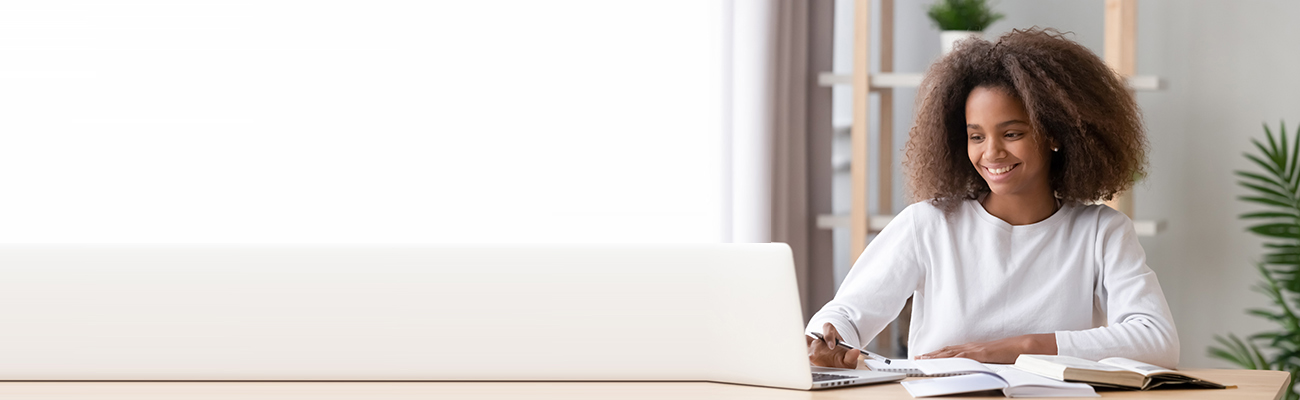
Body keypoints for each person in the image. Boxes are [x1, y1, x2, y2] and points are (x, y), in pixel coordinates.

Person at [805, 28, 1178, 369]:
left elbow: (1157, 340)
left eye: (1012, 133)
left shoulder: (1101, 231)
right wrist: (827, 338)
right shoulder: (929, 223)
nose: (992, 153)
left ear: (1055, 134)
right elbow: (846, 316)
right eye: (976, 136)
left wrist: (1020, 347)